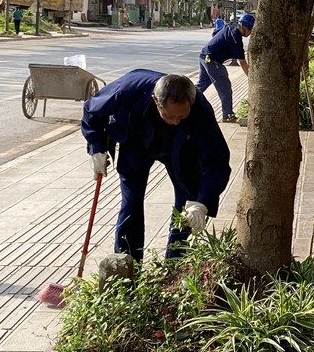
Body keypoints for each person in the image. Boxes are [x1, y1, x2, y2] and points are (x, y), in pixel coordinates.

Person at [81, 71, 231, 262]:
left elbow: (217, 162)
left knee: (187, 206)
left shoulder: (200, 109)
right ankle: (128, 264)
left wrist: (203, 202)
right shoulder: (127, 90)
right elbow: (92, 110)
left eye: (182, 116)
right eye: (169, 115)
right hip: (137, 141)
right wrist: (96, 148)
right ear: (156, 101)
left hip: (182, 148)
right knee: (131, 203)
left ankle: (174, 265)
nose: (175, 121)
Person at [196, 13, 254, 122]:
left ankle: (181, 101)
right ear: (245, 27)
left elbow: (214, 34)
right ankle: (227, 115)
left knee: (201, 85)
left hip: (204, 56)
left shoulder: (229, 26)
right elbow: (242, 62)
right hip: (213, 61)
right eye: (250, 30)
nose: (250, 33)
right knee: (225, 88)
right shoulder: (236, 38)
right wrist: (251, 78)